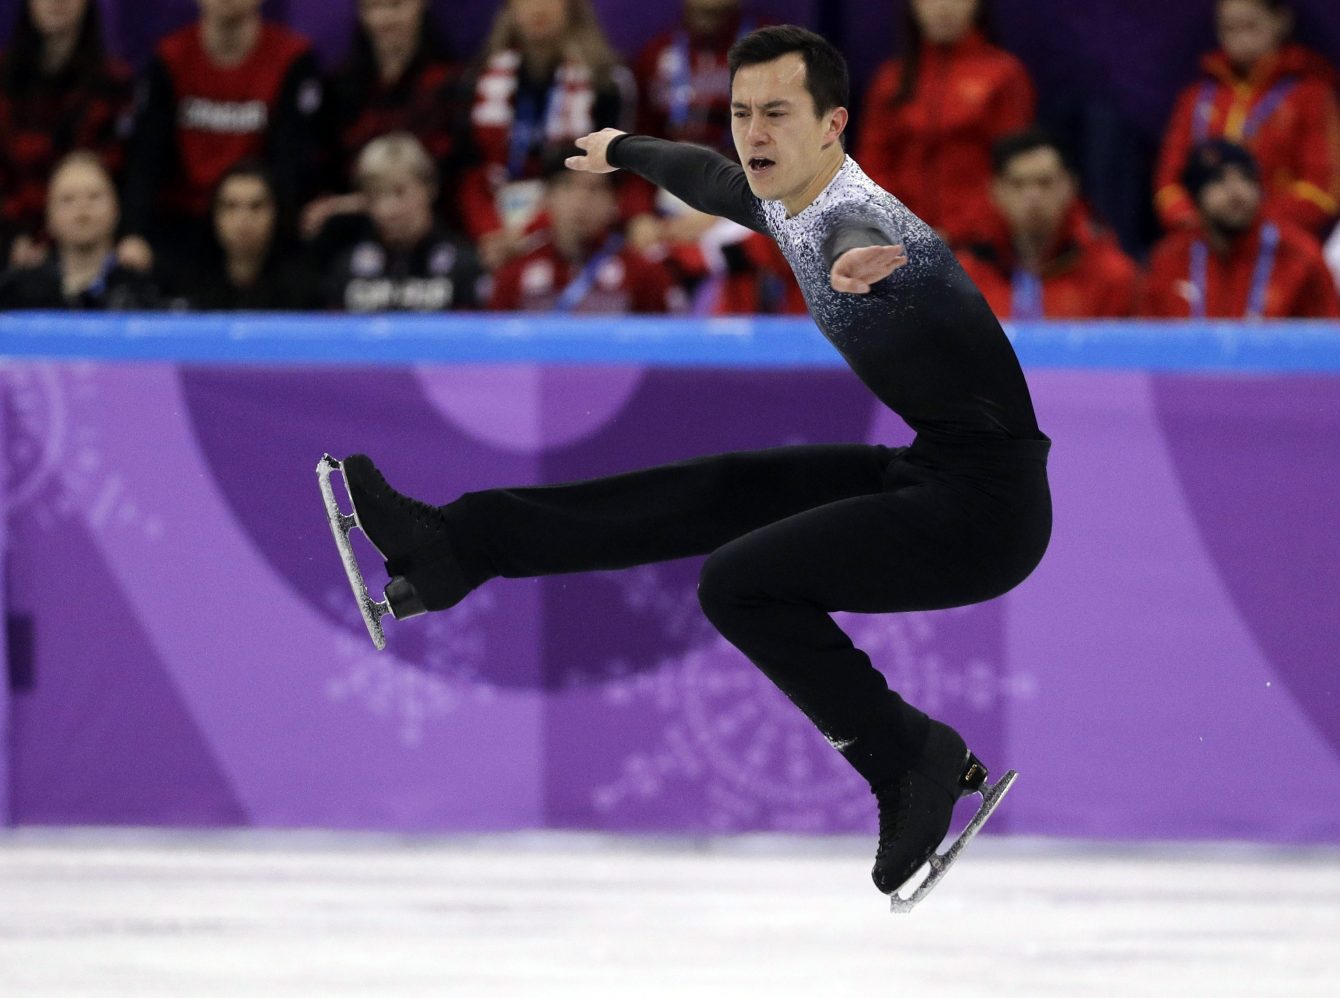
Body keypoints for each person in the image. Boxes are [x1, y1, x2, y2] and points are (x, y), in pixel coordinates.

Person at [328, 26, 1051, 901]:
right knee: (713, 493)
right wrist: (625, 150)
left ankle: (912, 761)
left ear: (834, 125)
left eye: (777, 114)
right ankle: (456, 545)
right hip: (938, 469)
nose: (754, 133)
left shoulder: (856, 220)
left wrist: (862, 271)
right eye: (744, 111)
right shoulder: (788, 193)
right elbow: (711, 176)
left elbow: (852, 244)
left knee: (738, 582)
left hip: (986, 514)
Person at [119, 0, 323, 279]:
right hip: (183, 227)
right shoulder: (169, 58)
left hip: (267, 231)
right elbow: (146, 161)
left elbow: (291, 162)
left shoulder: (292, 58)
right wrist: (134, 233)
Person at [456, 0, 636, 268]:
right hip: (492, 227)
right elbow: (470, 171)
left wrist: (532, 233)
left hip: (571, 222)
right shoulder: (479, 81)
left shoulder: (606, 84)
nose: (538, 8)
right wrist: (490, 233)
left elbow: (612, 176)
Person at [1154, 0, 1340, 239]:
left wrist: (1245, 224)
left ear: (1282, 21)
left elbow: (1322, 188)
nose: (1241, 39)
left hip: (1282, 245)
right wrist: (1191, 219)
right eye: (1229, 28)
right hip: (1202, 240)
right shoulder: (1196, 97)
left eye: (1251, 26)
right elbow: (1168, 180)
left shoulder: (1310, 95)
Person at [854, 0, 1035, 244]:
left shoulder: (1003, 75)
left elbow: (1014, 171)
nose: (943, 7)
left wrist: (958, 233)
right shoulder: (891, 80)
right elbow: (873, 167)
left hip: (980, 244)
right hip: (897, 243)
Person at [302, 0, 463, 239]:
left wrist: (385, 200)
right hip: (355, 224)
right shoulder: (339, 87)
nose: (384, 19)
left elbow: (450, 169)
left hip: (430, 221)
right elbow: (327, 165)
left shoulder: (451, 85)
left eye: (395, 5)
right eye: (373, 8)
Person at [0, 0, 133, 268]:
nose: (57, 1)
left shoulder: (114, 82)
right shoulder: (4, 78)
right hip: (12, 238)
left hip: (94, 241)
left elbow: (124, 171)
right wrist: (11, 236)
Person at [1143, 138, 1339, 319]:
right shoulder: (1168, 261)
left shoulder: (1300, 257)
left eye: (1246, 179)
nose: (1236, 191)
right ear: (1195, 197)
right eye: (1218, 180)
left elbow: (1331, 342)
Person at [956, 129, 1140, 319]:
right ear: (995, 190)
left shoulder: (1111, 276)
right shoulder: (964, 276)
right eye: (1018, 184)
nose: (1032, 196)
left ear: (1070, 186)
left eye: (1045, 183)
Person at [489, 155, 684, 313]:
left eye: (594, 189)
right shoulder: (515, 272)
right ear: (547, 197)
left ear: (614, 202)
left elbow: (668, 345)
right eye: (568, 186)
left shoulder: (643, 273)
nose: (580, 200)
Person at [324, 132, 483, 313]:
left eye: (400, 192)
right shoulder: (348, 269)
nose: (387, 210)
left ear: (429, 187)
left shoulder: (463, 266)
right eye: (375, 195)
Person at [0, 151, 158, 309]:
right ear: (48, 216)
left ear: (116, 209)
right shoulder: (18, 292)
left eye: (94, 196)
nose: (82, 209)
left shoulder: (147, 287)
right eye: (68, 199)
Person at [183, 162, 322, 311]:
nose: (243, 219)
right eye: (230, 206)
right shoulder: (187, 284)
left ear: (277, 214)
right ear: (214, 215)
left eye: (256, 206)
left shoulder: (304, 288)